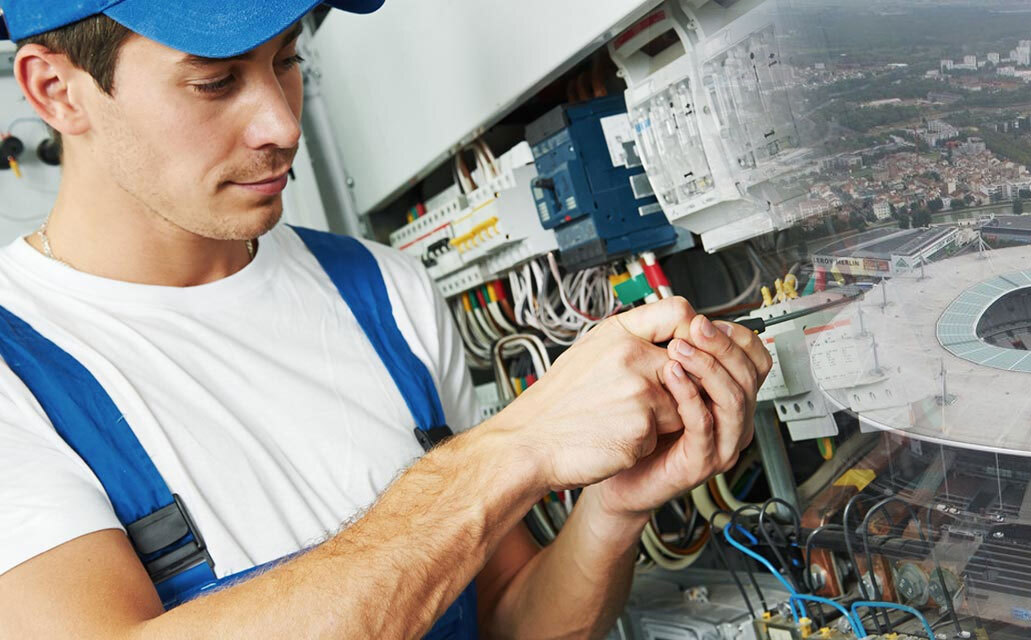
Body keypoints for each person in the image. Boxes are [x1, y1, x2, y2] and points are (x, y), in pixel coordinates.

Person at [0, 1, 770, 638]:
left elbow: (509, 620)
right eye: (214, 82)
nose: (280, 124)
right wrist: (515, 447)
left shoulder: (383, 289)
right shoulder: (18, 372)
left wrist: (615, 507)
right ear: (56, 91)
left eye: (287, 61)